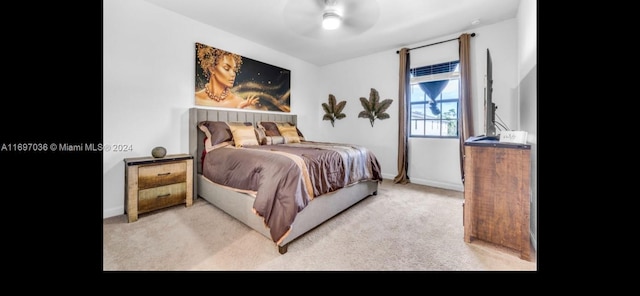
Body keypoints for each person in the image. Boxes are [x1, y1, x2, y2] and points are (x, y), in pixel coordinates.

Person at [195, 43, 259, 109]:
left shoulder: (239, 102)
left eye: (234, 70)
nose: (233, 74)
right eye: (226, 68)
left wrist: (239, 108)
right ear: (212, 68)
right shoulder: (196, 98)